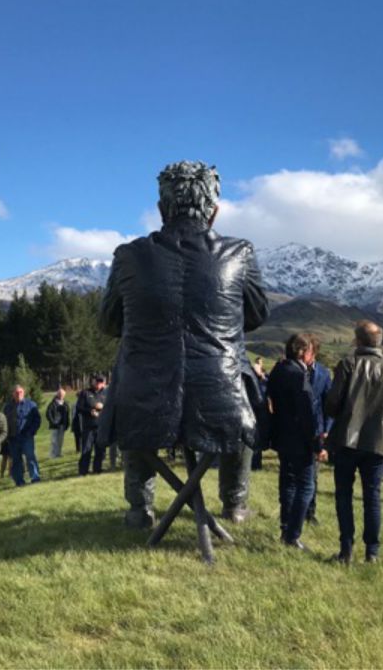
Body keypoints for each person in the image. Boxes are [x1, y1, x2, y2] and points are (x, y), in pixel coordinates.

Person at [97, 160, 269, 529]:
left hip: (145, 392)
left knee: (133, 400)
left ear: (162, 209)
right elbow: (256, 315)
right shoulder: (241, 252)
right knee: (241, 408)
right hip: (221, 393)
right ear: (214, 211)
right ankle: (235, 505)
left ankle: (139, 510)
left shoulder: (128, 255)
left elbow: (108, 323)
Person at [324, 320, 383, 563]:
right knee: (372, 497)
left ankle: (346, 550)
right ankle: (372, 552)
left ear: (357, 341)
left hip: (346, 441)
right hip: (377, 443)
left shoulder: (348, 364)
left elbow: (332, 404)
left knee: (344, 495)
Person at [267, 333, 322, 550]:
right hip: (300, 438)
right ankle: (293, 534)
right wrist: (316, 442)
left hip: (281, 434)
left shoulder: (278, 370)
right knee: (306, 486)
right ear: (304, 351)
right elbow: (308, 412)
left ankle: (285, 527)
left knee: (287, 482)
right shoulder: (299, 375)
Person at [304, 335, 333, 525]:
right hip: (295, 431)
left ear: (313, 353)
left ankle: (309, 512)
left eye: (305, 350)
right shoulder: (290, 370)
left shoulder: (323, 374)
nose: (300, 353)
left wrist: (328, 430)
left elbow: (329, 405)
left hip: (317, 432)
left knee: (312, 475)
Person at [3, 385, 42, 486]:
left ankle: (35, 478)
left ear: (23, 393)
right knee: (16, 460)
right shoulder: (7, 407)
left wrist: (31, 432)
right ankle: (19, 481)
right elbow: (4, 423)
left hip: (26, 437)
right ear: (13, 394)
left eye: (20, 392)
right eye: (16, 392)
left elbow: (37, 420)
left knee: (30, 457)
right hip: (13, 438)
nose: (18, 394)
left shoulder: (31, 404)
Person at [75, 375, 108, 476]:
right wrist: (90, 411)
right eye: (97, 382)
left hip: (101, 427)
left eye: (101, 382)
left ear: (103, 383)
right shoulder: (86, 393)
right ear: (93, 382)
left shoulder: (106, 394)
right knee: (86, 449)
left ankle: (97, 469)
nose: (98, 384)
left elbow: (111, 408)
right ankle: (83, 471)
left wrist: (103, 408)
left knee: (100, 450)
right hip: (89, 427)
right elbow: (79, 408)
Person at [46, 387, 71, 459]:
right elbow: (48, 414)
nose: (61, 395)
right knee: (54, 440)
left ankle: (58, 453)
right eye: (60, 394)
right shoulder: (52, 404)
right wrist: (53, 421)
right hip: (55, 425)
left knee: (60, 440)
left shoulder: (65, 404)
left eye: (63, 394)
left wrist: (67, 423)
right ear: (57, 394)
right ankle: (53, 455)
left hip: (62, 424)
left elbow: (67, 414)